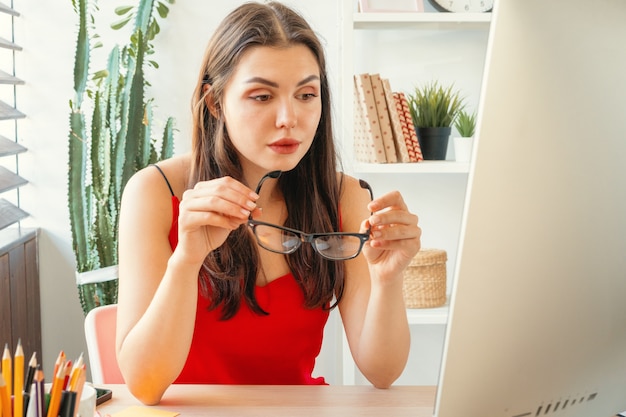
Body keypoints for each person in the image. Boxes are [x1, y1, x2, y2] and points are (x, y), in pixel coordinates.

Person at [115, 1, 421, 405]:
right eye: (262, 96)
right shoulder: (154, 193)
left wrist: (388, 279)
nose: (288, 118)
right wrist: (187, 260)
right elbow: (144, 384)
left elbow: (382, 372)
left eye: (306, 94)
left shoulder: (345, 197)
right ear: (214, 101)